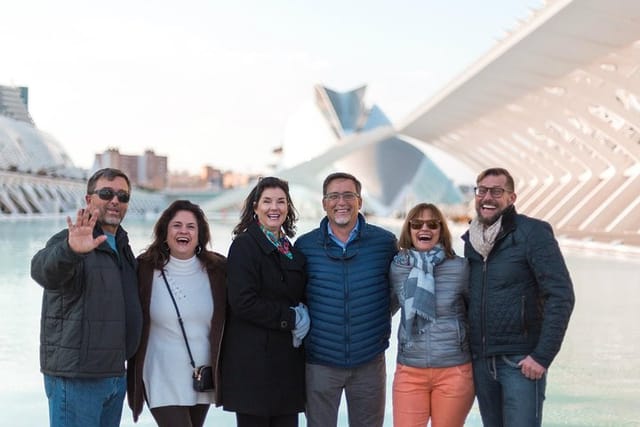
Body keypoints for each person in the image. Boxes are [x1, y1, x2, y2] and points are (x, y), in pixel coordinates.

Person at [463, 167, 575, 427]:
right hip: (482, 360)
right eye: (482, 190)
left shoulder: (532, 232)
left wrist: (542, 356)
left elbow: (561, 295)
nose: (487, 197)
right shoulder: (472, 239)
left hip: (520, 362)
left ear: (511, 198)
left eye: (496, 191)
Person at [30, 167, 143, 427]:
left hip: (114, 374)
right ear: (88, 199)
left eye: (123, 196)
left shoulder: (123, 247)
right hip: (77, 377)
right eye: (106, 193)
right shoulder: (70, 241)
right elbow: (42, 270)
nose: (115, 201)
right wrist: (71, 250)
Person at [294, 172, 398, 427]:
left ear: (360, 201)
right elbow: (297, 297)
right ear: (324, 203)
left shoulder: (384, 243)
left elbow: (396, 293)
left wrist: (373, 321)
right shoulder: (305, 246)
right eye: (334, 196)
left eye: (348, 195)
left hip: (369, 362)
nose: (341, 202)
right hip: (320, 363)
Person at [127, 200, 226, 426]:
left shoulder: (218, 270)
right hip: (160, 373)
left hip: (201, 375)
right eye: (177, 225)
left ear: (200, 234)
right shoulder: (143, 268)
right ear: (165, 232)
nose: (184, 231)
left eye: (191, 226)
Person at [221, 176, 308, 427]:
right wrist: (291, 318)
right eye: (267, 201)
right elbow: (242, 302)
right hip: (254, 369)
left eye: (281, 202)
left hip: (286, 368)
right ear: (255, 206)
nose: (274, 207)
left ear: (288, 208)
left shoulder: (290, 249)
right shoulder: (244, 247)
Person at [390, 202, 475, 427]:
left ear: (441, 230)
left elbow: (475, 312)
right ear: (409, 230)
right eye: (417, 224)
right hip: (409, 370)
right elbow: (385, 307)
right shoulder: (397, 268)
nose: (424, 229)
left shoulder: (461, 267)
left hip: (454, 371)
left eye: (432, 224)